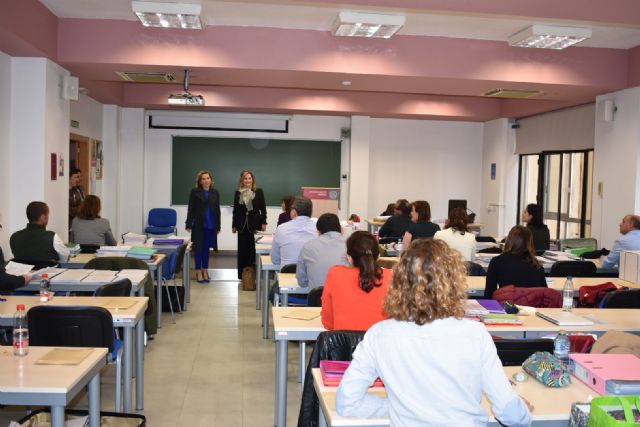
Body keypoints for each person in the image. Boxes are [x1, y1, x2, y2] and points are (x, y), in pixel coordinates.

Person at [336, 239, 532, 427]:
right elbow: (510, 415)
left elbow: (348, 402)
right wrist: (522, 411)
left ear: (399, 282)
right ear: (453, 282)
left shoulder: (379, 335)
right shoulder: (475, 334)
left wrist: (398, 407)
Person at [321, 231, 391, 330]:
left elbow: (328, 323)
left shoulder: (335, 274)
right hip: (381, 343)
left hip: (344, 344)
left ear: (349, 258)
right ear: (378, 257)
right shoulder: (392, 277)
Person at [484, 225, 547, 298]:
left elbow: (489, 294)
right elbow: (545, 294)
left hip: (506, 306)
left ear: (509, 240)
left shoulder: (497, 262)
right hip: (532, 308)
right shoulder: (537, 264)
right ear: (529, 242)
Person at [186, 170, 221, 283]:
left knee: (206, 249)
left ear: (211, 180)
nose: (206, 180)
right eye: (203, 179)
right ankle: (198, 271)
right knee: (198, 249)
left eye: (208, 178)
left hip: (211, 225)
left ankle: (205, 270)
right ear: (200, 181)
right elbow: (191, 208)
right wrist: (188, 223)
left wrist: (218, 225)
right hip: (199, 225)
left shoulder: (215, 192)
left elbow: (217, 210)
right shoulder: (195, 192)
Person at [296, 213, 348, 289]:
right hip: (343, 298)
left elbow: (302, 282)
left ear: (318, 231)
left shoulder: (308, 246)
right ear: (340, 228)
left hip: (317, 298)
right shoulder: (350, 246)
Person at [232, 170, 267, 279]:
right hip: (241, 225)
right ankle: (242, 276)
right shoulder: (238, 192)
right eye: (245, 178)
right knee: (242, 251)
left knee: (252, 251)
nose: (247, 180)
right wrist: (234, 224)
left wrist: (264, 222)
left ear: (252, 179)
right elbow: (236, 210)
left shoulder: (258, 191)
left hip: (254, 224)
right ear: (242, 180)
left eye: (249, 178)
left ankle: (252, 275)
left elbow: (263, 208)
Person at [270, 196, 316, 267]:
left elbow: (275, 260)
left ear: (294, 212)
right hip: (310, 274)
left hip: (286, 274)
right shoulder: (318, 228)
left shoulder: (281, 228)